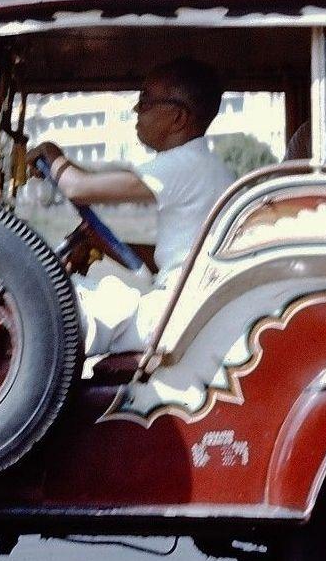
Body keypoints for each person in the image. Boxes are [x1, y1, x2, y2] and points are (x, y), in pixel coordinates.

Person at [28, 57, 235, 356]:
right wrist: (100, 242)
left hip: (175, 314)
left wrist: (50, 151)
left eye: (146, 101)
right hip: (185, 307)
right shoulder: (204, 166)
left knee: (45, 303)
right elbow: (173, 258)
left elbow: (77, 188)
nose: (137, 110)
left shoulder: (184, 164)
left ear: (178, 117)